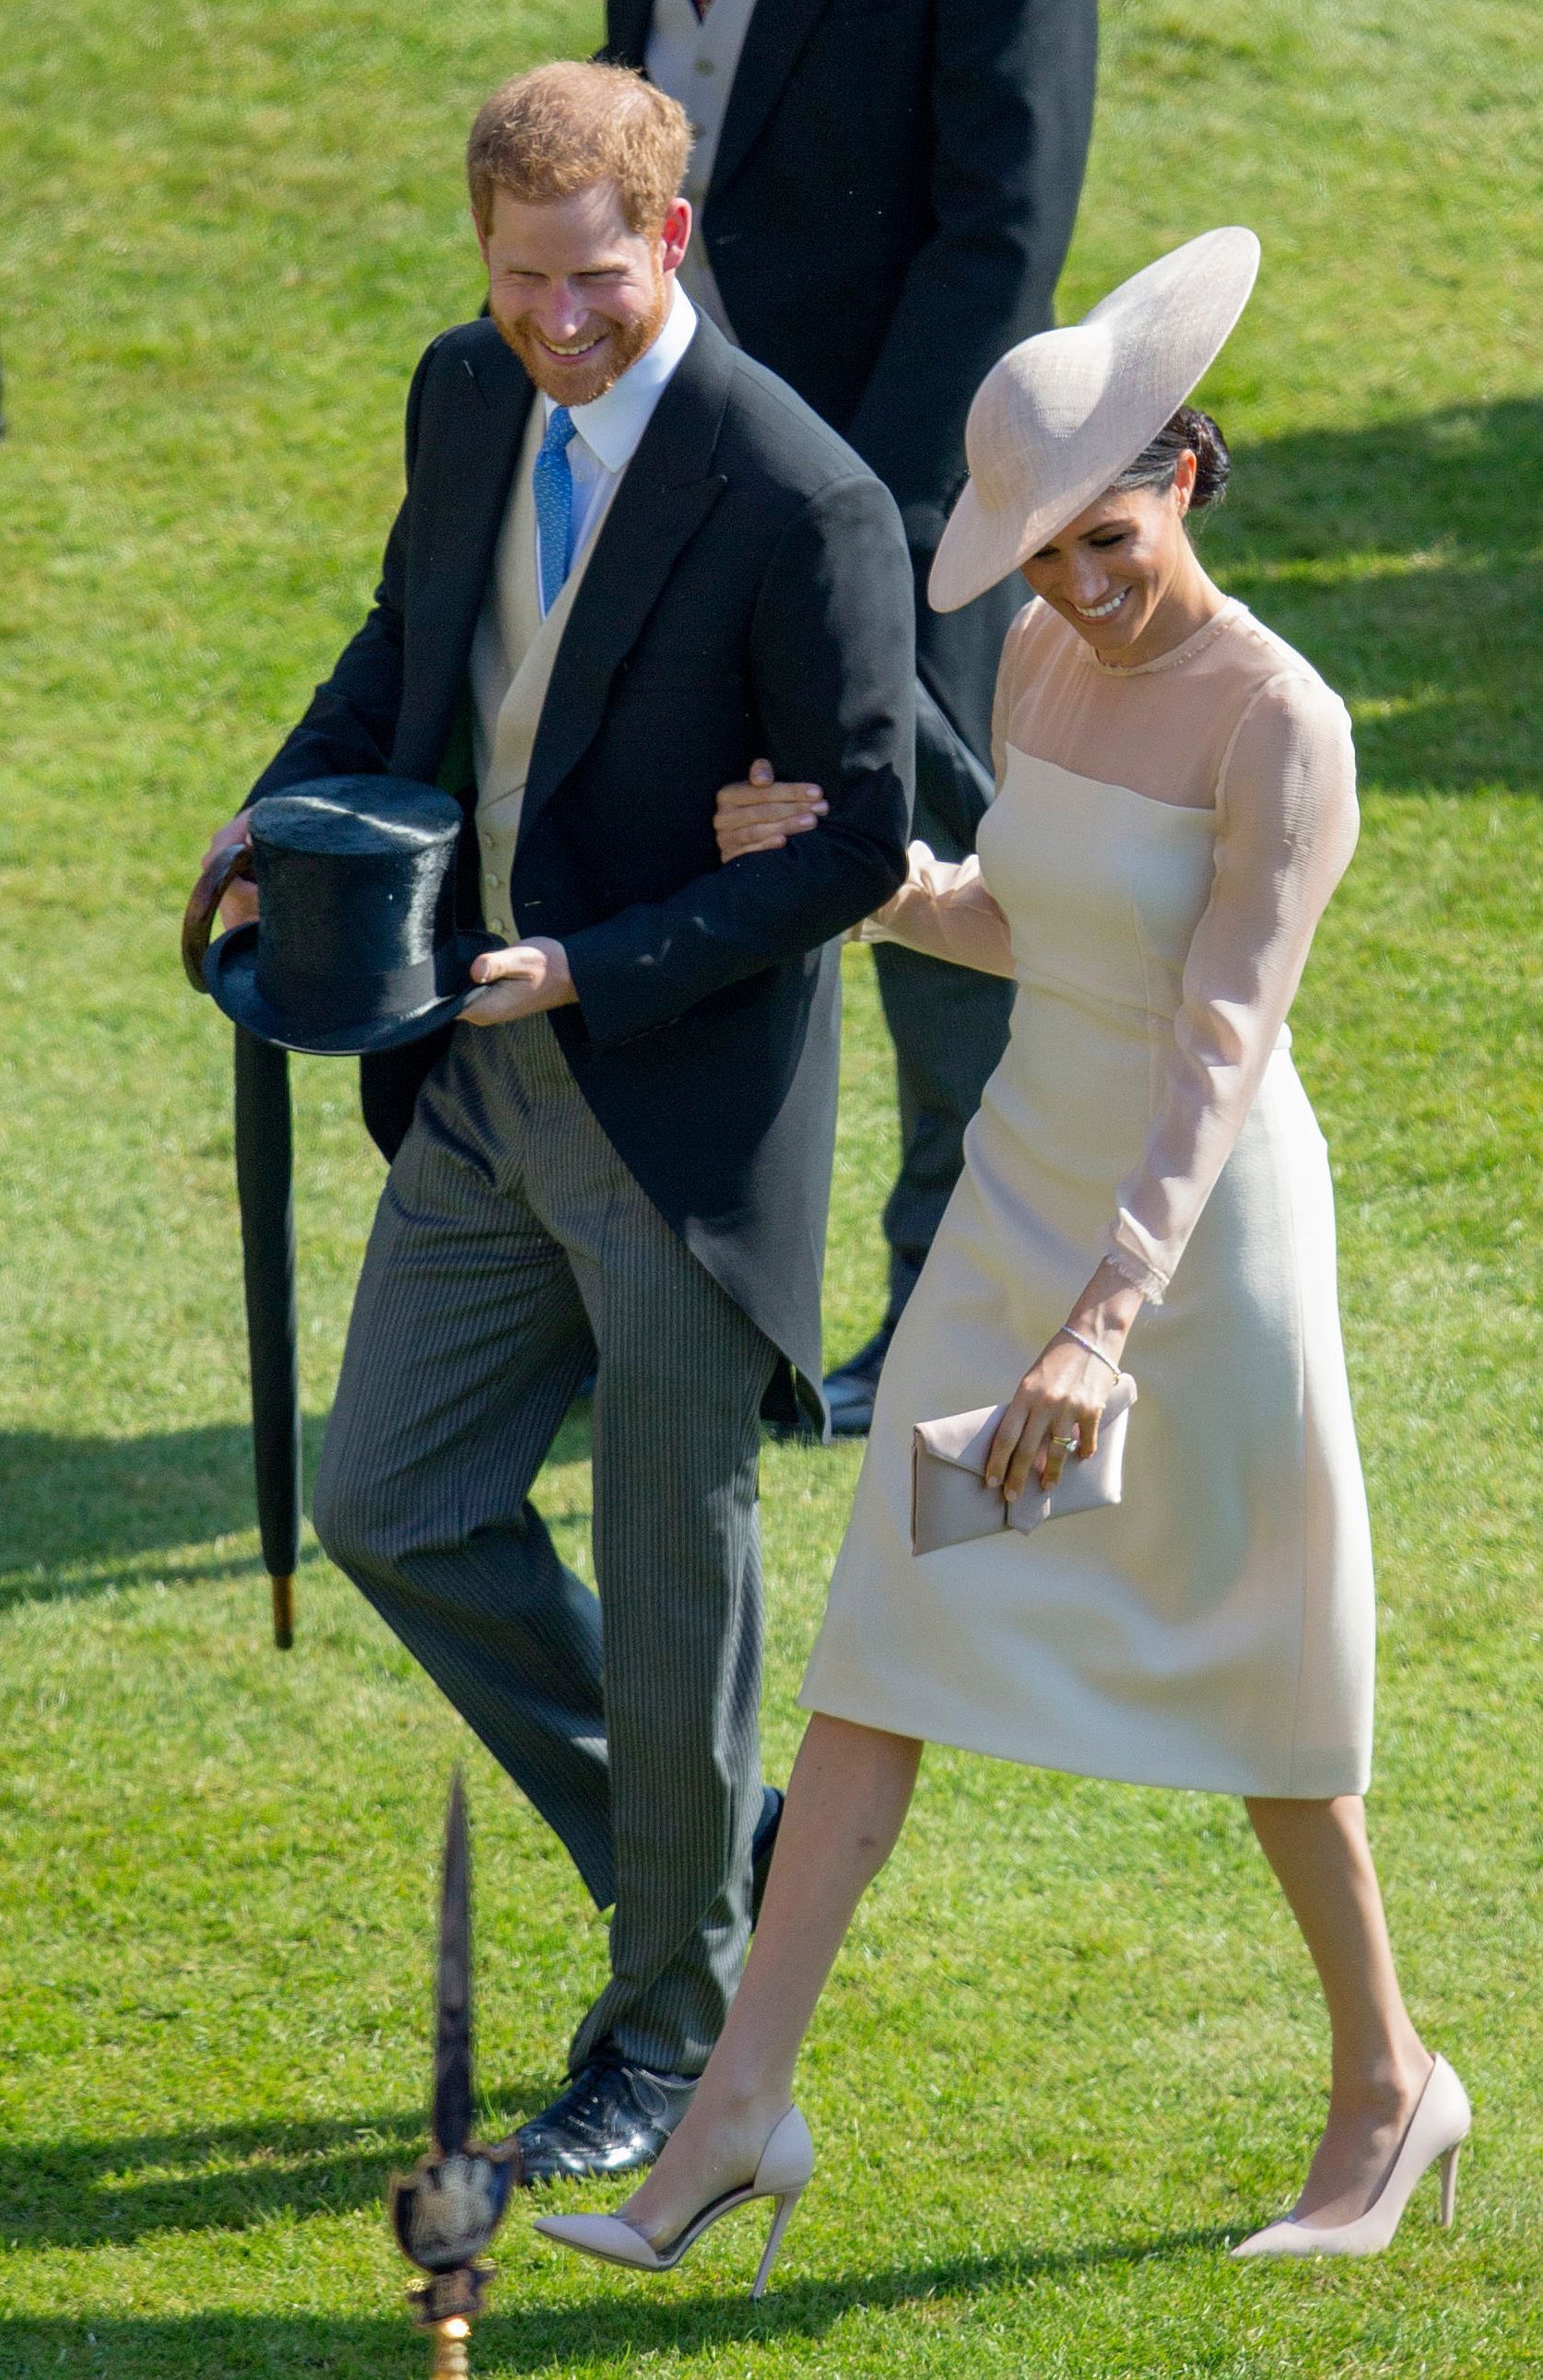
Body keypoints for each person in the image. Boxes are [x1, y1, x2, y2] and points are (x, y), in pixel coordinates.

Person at [533, 230, 1470, 2281]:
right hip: (1018, 1195)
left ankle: (1389, 2086)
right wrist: (866, 884)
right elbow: (1037, 920)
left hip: (1192, 1245)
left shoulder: (1282, 725)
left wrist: (1104, 1332)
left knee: (1263, 1690)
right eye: (1044, 558)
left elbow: (1216, 1044)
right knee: (886, 1637)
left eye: (1108, 541)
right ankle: (735, 2115)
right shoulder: (1047, 658)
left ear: (1188, 476)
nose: (1074, 589)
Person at [198, 59, 913, 2183]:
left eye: (592, 280)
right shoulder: (461, 386)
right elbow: (414, 635)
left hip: (679, 1118)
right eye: (522, 283)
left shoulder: (807, 499)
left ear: (669, 241)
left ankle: (676, 2029)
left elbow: (862, 841)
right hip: (479, 1076)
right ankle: (719, 1858)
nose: (558, 323)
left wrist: (601, 960)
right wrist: (287, 789)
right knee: (394, 1501)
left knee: (678, 1583)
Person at [603, 0, 1098, 1431]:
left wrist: (873, 525)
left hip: (912, 519)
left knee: (943, 917)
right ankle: (668, 1295)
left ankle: (961, 1313)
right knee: (696, 858)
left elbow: (1002, 231)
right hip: (692, 487)